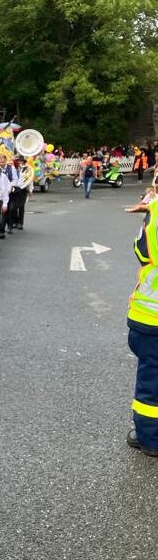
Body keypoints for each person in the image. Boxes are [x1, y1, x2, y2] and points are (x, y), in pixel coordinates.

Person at [126, 191, 158, 456]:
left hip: (151, 315)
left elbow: (141, 250)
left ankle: (150, 438)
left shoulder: (156, 211)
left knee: (151, 380)